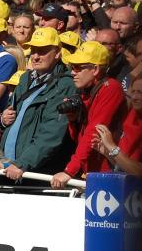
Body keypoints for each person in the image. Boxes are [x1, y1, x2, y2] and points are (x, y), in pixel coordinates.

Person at [0, 27, 76, 179]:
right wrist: (3, 120)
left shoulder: (65, 85)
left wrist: (23, 163)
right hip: (9, 167)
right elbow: (14, 116)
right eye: (33, 50)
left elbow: (52, 133)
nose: (35, 56)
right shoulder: (25, 78)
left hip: (33, 173)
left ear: (57, 53)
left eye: (42, 51)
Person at [50, 41, 125, 188]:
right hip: (92, 171)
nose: (72, 72)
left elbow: (93, 131)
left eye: (78, 67)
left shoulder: (111, 88)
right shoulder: (85, 91)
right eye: (72, 67)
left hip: (110, 173)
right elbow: (78, 137)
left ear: (95, 69)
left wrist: (69, 171)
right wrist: (72, 119)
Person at [91, 73, 142, 178]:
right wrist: (106, 152)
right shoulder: (130, 121)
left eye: (141, 93)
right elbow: (126, 166)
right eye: (133, 91)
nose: (134, 97)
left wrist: (112, 147)